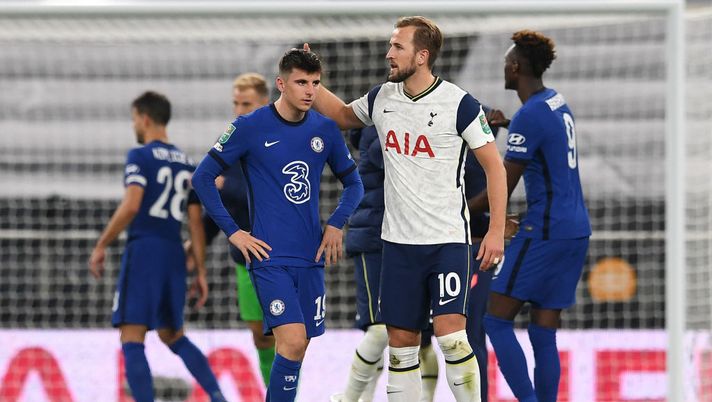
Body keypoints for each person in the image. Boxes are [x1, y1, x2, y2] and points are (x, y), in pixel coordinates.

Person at [309, 15, 507, 402]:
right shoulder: (382, 97)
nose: (388, 54)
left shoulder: (459, 103)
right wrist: (312, 80)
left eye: (397, 46)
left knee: (451, 338)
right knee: (401, 344)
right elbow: (342, 115)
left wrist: (496, 231)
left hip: (447, 241)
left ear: (422, 56)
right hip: (397, 246)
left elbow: (494, 166)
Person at [192, 48, 364, 402]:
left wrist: (336, 224)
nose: (310, 91)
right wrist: (235, 233)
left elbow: (355, 183)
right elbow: (202, 179)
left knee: (298, 349)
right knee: (291, 340)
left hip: (311, 256)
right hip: (269, 256)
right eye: (301, 82)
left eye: (315, 83)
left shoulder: (325, 130)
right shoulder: (249, 127)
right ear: (281, 84)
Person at [330, 108, 508, 402]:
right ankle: (348, 398)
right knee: (382, 332)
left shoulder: (407, 125)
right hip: (375, 240)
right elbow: (413, 162)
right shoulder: (383, 133)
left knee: (426, 340)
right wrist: (466, 131)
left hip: (414, 241)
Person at [469, 30, 591, 402]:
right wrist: (508, 126)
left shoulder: (530, 117)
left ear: (517, 67)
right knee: (542, 331)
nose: (504, 67)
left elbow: (502, 183)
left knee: (495, 319)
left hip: (545, 231)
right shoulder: (555, 102)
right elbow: (545, 140)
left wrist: (459, 210)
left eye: (507, 62)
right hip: (576, 231)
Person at [88, 91, 226, 402]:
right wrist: (200, 271)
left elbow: (132, 204)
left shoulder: (140, 156)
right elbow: (195, 223)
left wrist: (101, 244)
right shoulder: (186, 164)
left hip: (145, 250)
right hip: (174, 252)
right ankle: (219, 397)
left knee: (132, 336)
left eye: (135, 118)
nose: (135, 124)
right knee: (172, 334)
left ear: (145, 118)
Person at [188, 72, 275, 387]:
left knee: (289, 334)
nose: (239, 110)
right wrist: (200, 242)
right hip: (245, 258)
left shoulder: (280, 140)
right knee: (260, 336)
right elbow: (211, 201)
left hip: (282, 254)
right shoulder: (228, 145)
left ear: (265, 103)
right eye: (236, 103)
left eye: (246, 103)